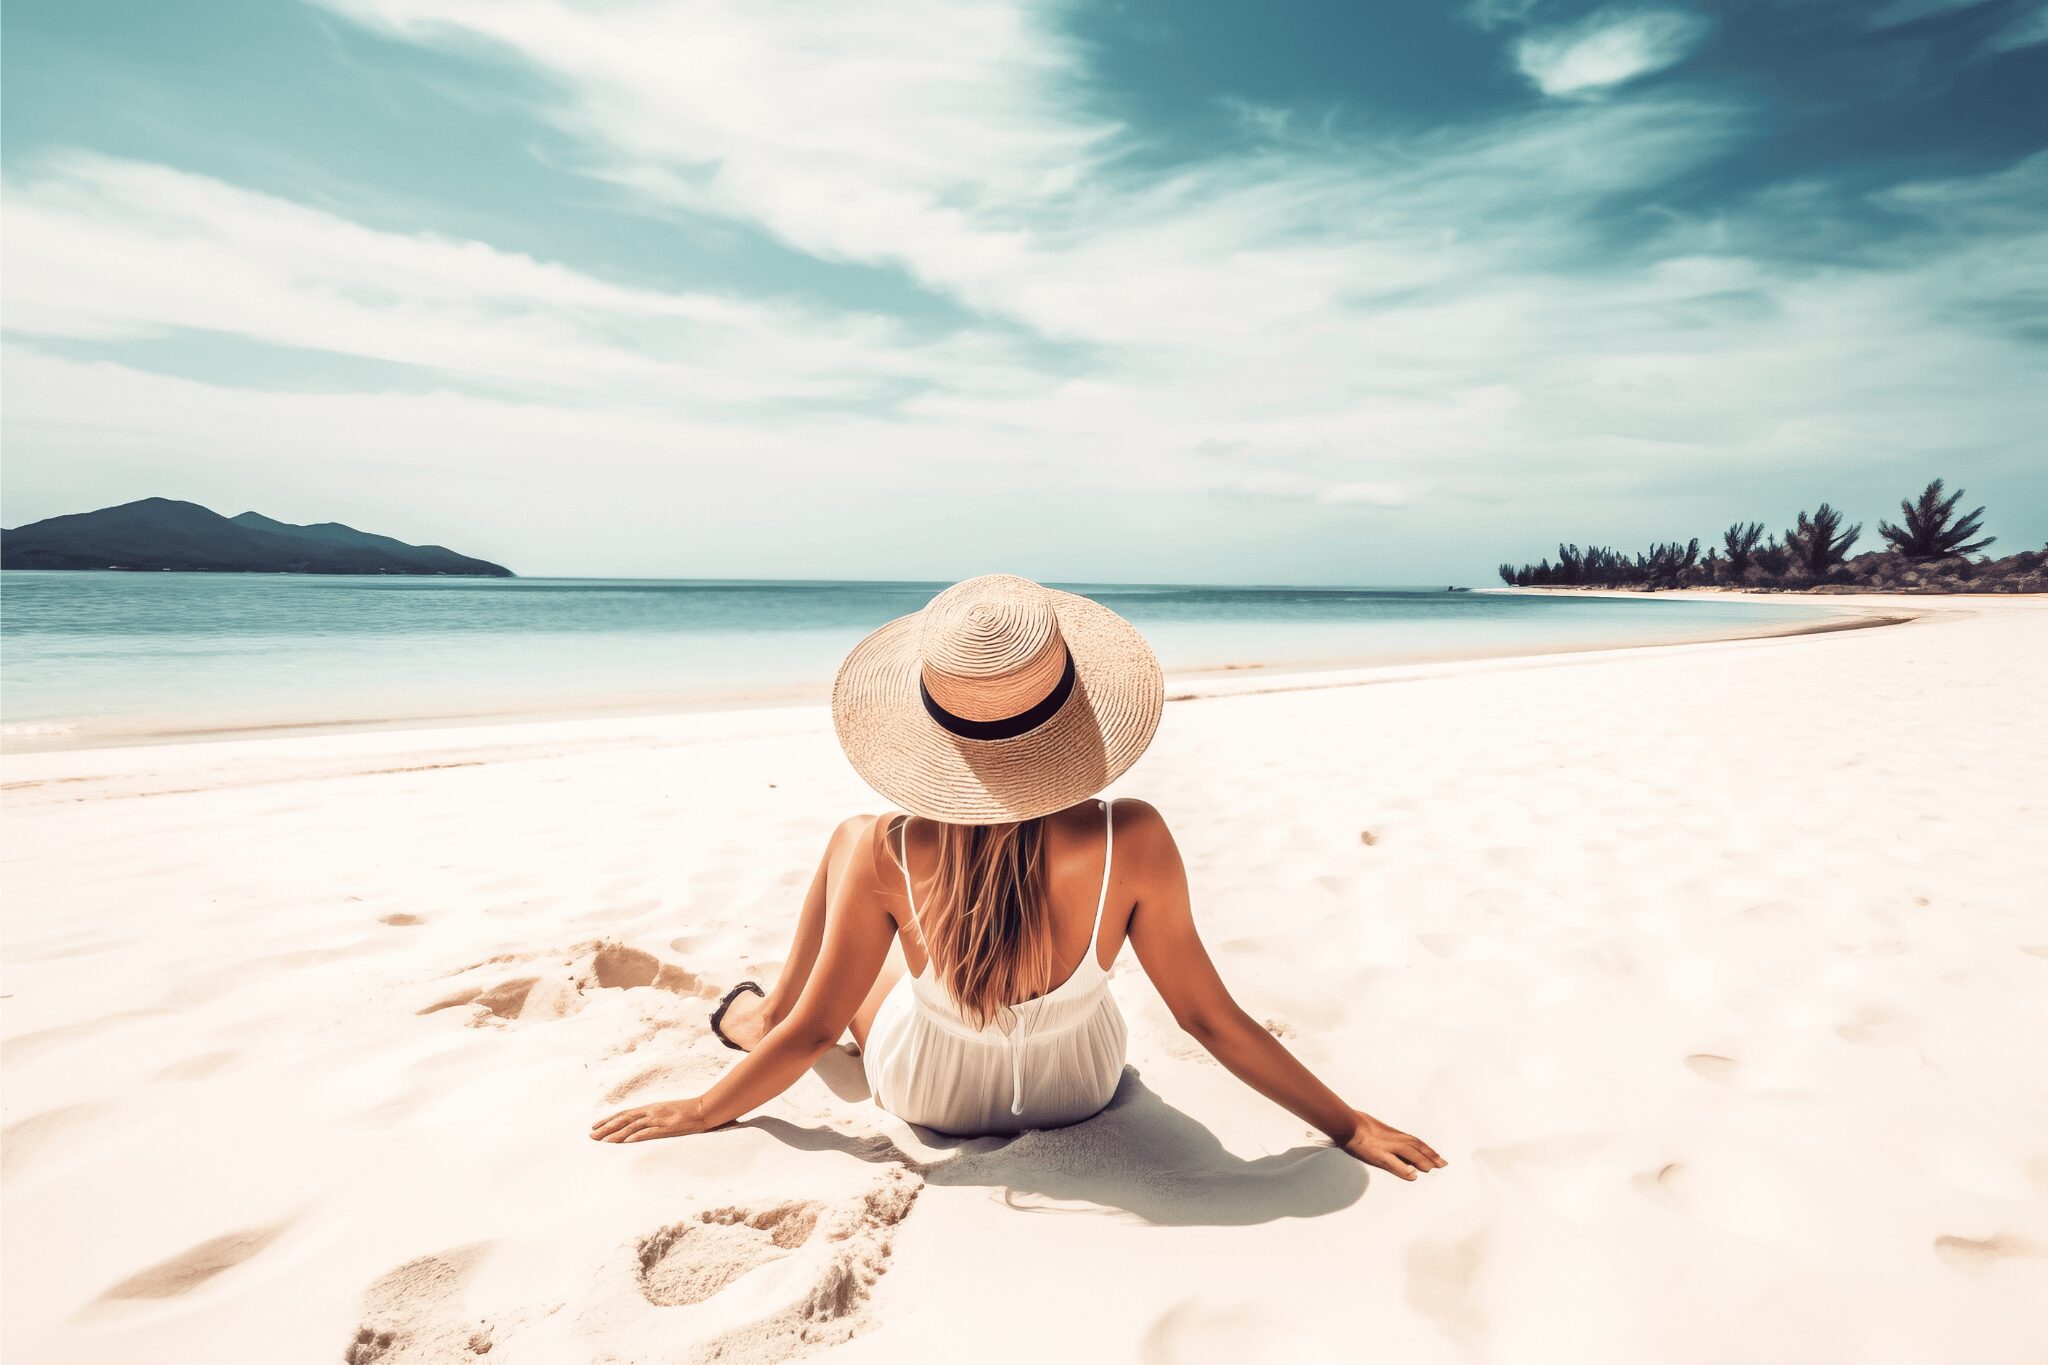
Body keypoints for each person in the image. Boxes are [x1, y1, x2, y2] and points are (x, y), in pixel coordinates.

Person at [589, 574, 1443, 1180]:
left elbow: (818, 1033)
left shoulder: (891, 847)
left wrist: (704, 1111)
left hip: (933, 1094)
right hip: (1081, 1088)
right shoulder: (1132, 835)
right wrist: (1350, 1122)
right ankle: (766, 1010)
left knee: (847, 846)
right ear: (1072, 714)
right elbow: (1208, 1019)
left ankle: (755, 1014)